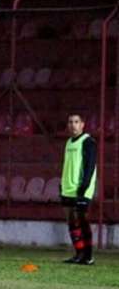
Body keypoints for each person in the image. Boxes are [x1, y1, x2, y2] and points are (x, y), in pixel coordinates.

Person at [60, 113, 97, 265]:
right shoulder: (69, 142)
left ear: (82, 124)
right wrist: (62, 184)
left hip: (81, 189)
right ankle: (78, 254)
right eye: (70, 122)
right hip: (67, 189)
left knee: (82, 221)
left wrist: (84, 186)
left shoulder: (88, 141)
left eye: (76, 122)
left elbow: (89, 166)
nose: (73, 125)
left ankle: (88, 256)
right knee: (71, 222)